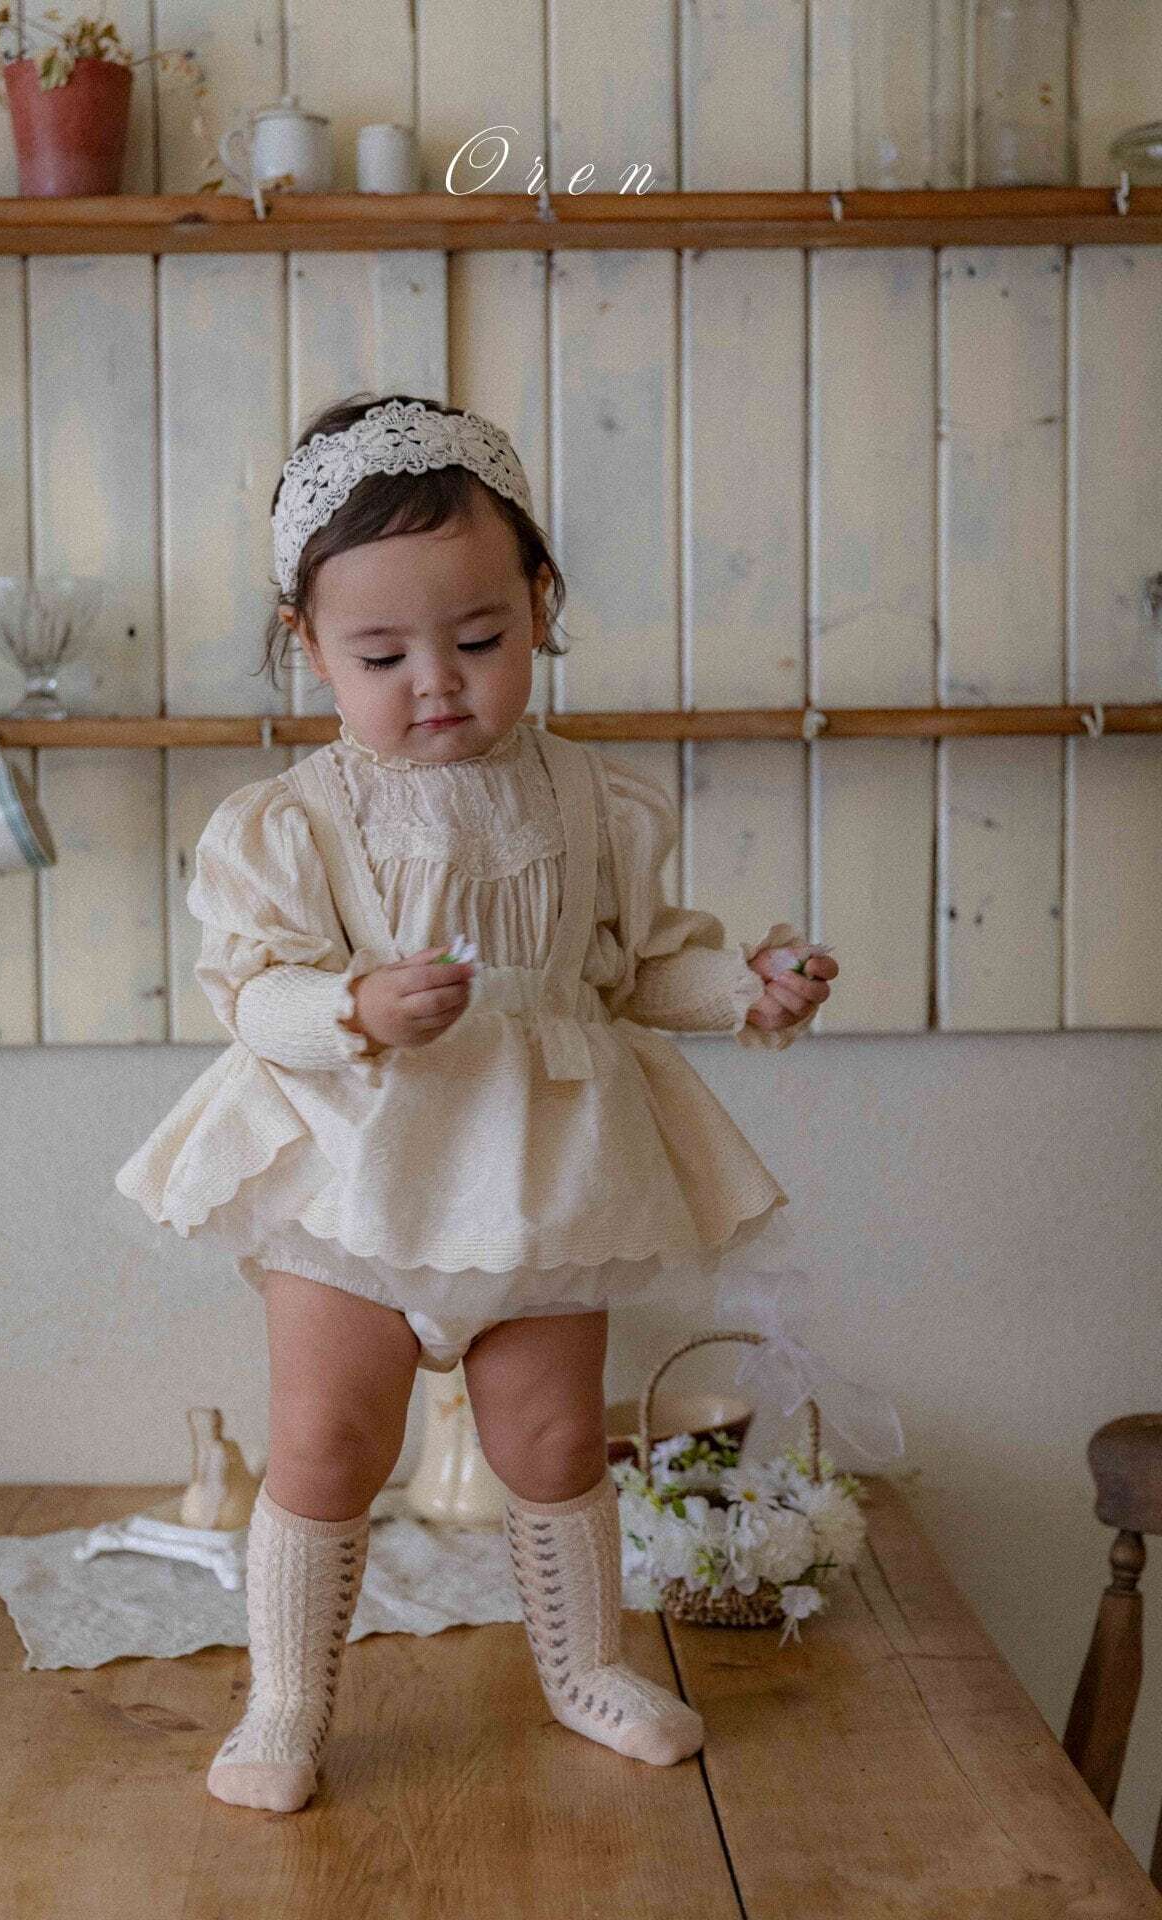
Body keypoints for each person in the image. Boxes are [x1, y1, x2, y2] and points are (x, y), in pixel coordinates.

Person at [114, 391, 839, 1814]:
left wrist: (742, 990)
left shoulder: (592, 804)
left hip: (541, 1166)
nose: (436, 683)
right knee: (331, 1441)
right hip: (353, 1164)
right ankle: (288, 1700)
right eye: (382, 655)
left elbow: (634, 970)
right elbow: (248, 991)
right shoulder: (295, 821)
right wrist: (350, 1008)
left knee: (554, 1442)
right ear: (309, 647)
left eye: (481, 641)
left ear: (541, 606)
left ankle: (585, 1665)